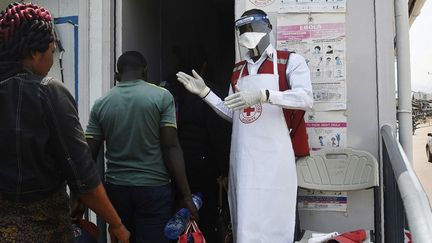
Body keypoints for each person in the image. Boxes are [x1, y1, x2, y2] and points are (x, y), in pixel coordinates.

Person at [176, 9, 313, 242]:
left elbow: (305, 99)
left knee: (276, 219)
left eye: (254, 28)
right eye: (243, 30)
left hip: (275, 160)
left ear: (267, 28)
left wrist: (265, 94)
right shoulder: (238, 71)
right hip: (244, 160)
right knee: (245, 222)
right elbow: (233, 113)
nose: (248, 35)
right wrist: (206, 93)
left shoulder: (288, 61)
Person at [0, 2, 129, 242]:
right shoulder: (47, 91)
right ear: (34, 53)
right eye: (52, 49)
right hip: (42, 230)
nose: (52, 56)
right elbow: (83, 174)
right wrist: (116, 224)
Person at [85, 51, 198, 243]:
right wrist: (186, 195)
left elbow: (88, 155)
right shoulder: (162, 97)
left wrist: (81, 197)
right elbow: (170, 147)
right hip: (153, 189)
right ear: (145, 71)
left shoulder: (101, 104)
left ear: (117, 73)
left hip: (116, 190)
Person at [163, 46, 231, 243]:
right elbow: (219, 134)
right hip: (204, 166)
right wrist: (225, 170)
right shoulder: (209, 92)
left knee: (175, 219)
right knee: (206, 218)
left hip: (171, 165)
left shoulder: (166, 90)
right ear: (204, 66)